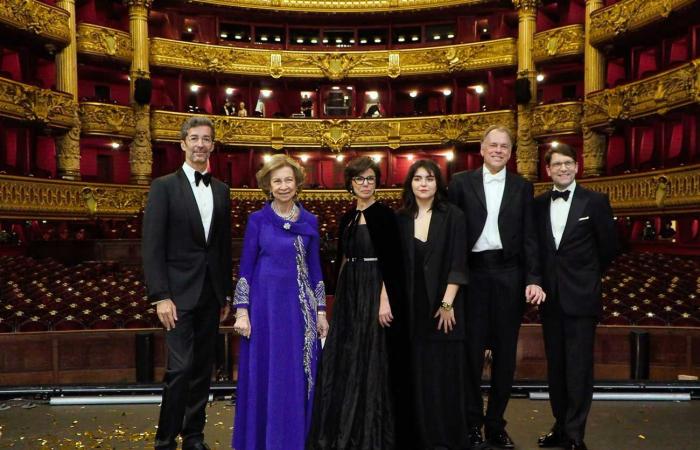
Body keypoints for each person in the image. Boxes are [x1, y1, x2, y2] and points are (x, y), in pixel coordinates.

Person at [448, 124, 544, 449]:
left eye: (505, 146)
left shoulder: (523, 186)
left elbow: (530, 236)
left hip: (509, 274)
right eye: (494, 145)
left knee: (504, 356)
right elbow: (452, 234)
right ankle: (472, 424)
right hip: (472, 275)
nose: (499, 150)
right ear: (482, 148)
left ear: (511, 152)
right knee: (471, 355)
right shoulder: (460, 182)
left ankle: (496, 425)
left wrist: (533, 278)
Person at [142, 116, 233, 450]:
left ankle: (193, 436)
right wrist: (160, 296)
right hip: (176, 296)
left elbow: (222, 247)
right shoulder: (163, 186)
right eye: (193, 138)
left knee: (202, 370)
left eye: (206, 139)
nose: (200, 144)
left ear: (212, 145)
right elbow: (152, 246)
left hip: (211, 293)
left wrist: (225, 292)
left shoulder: (222, 190)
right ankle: (165, 440)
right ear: (182, 144)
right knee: (179, 369)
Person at [308, 156, 410, 450]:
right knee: (347, 356)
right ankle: (344, 426)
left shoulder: (386, 216)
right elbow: (341, 261)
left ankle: (370, 430)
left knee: (372, 356)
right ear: (350, 184)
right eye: (359, 179)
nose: (365, 184)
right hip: (350, 292)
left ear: (377, 182)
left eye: (370, 179)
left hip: (375, 288)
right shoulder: (347, 218)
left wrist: (384, 300)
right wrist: (337, 302)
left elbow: (393, 265)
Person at [232, 154, 329, 450]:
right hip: (264, 311)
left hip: (299, 313)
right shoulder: (257, 220)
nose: (284, 186)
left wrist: (322, 311)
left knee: (296, 374)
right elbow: (246, 266)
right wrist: (242, 311)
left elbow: (315, 270)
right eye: (277, 181)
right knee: (266, 372)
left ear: (297, 183)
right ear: (268, 186)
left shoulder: (309, 220)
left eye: (288, 180)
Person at [534, 144, 617, 450]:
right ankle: (560, 426)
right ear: (548, 170)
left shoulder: (595, 201)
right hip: (550, 300)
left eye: (568, 163)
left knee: (579, 369)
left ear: (577, 166)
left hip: (582, 297)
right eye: (557, 164)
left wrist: (585, 277)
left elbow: (609, 248)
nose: (564, 168)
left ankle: (574, 434)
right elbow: (538, 249)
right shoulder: (539, 204)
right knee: (556, 368)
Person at [397, 159, 469, 450]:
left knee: (442, 374)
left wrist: (447, 303)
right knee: (414, 373)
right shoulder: (400, 218)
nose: (423, 183)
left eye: (429, 178)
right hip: (410, 308)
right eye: (417, 178)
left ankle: (443, 437)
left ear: (438, 183)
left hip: (442, 307)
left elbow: (458, 260)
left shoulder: (453, 215)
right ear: (410, 183)